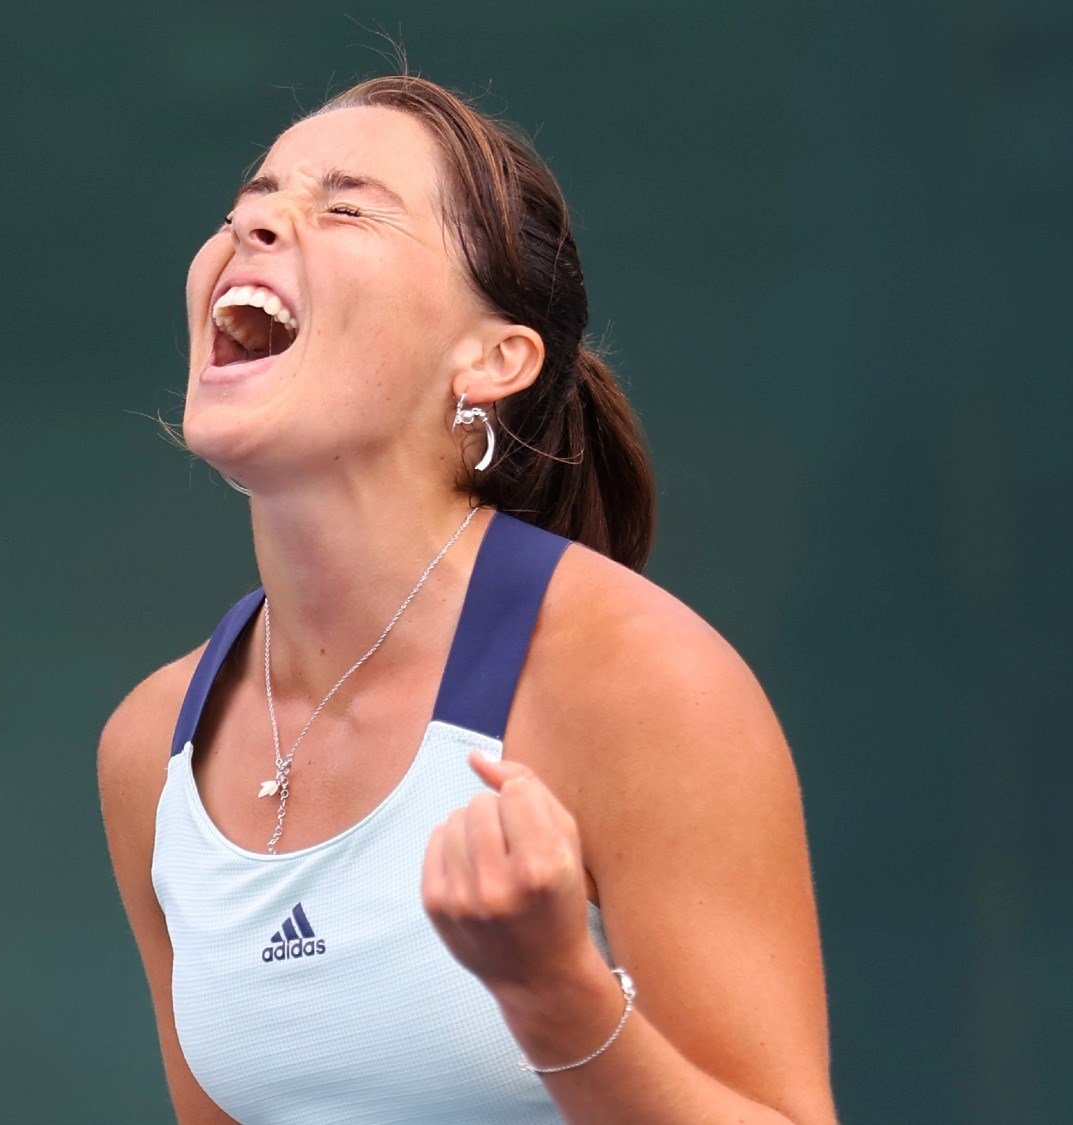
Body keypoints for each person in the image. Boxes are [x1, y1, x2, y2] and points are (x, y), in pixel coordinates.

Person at [97, 74, 837, 1123]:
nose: (253, 221)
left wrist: (554, 996)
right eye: (244, 205)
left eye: (345, 206)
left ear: (491, 359)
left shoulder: (640, 683)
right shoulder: (148, 750)